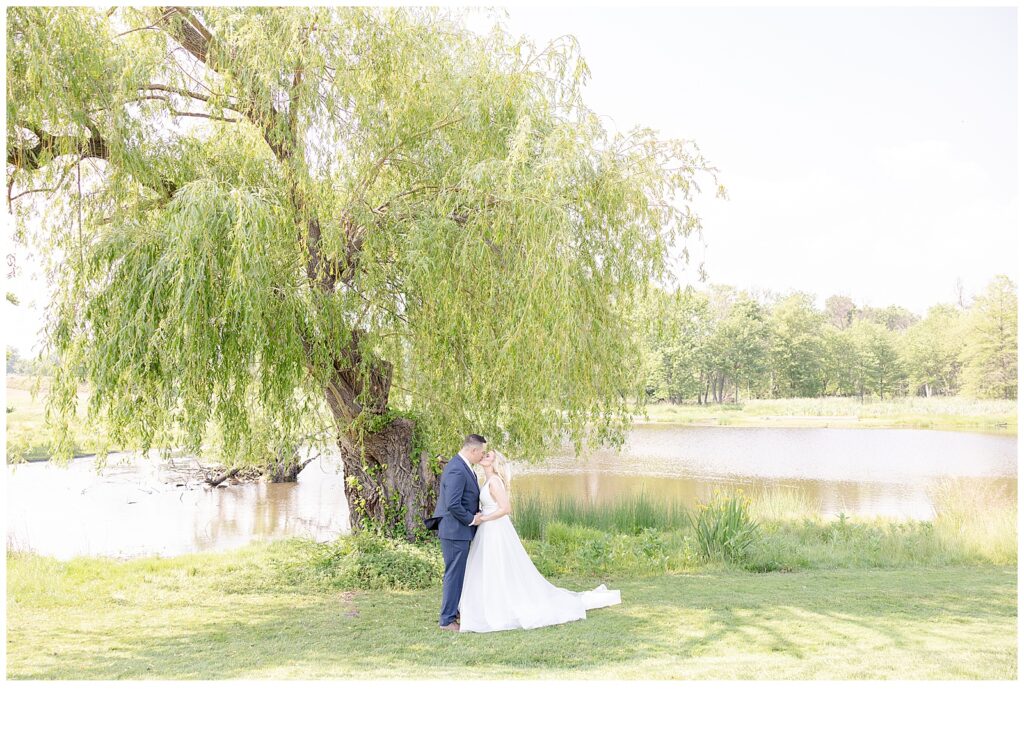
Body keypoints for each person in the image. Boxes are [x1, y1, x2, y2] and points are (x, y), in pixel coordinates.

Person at [457, 448, 621, 633]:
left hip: (494, 529)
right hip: (488, 530)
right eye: (484, 454)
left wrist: (484, 518)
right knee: (488, 566)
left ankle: (499, 605)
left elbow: (506, 508)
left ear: (494, 463)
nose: (483, 456)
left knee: (497, 565)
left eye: (488, 455)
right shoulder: (486, 480)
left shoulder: (495, 482)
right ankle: (487, 603)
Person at [434, 434, 487, 631]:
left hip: (458, 531)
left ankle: (455, 611)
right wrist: (472, 519)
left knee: (458, 574)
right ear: (473, 450)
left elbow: (464, 499)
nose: (482, 456)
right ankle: (447, 620)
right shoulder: (457, 469)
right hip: (455, 531)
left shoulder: (463, 466)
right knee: (454, 575)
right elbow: (453, 504)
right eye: (481, 452)